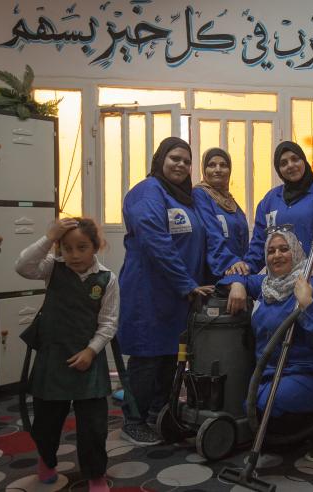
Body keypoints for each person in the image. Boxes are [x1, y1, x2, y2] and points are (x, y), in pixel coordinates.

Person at [117, 137, 236, 445]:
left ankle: (160, 409)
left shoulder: (187, 198)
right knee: (147, 357)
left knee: (171, 355)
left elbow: (207, 238)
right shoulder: (147, 192)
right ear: (160, 160)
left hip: (181, 294)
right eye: (175, 158)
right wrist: (187, 284)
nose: (181, 165)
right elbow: (156, 241)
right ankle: (133, 419)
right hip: (150, 291)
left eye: (186, 160)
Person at [224, 226, 313, 462]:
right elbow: (234, 275)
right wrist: (238, 285)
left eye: (284, 249)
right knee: (251, 405)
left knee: (269, 404)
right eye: (271, 251)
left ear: (296, 251)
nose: (277, 255)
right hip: (275, 370)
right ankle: (299, 431)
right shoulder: (267, 283)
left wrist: (308, 304)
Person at [15, 217, 115, 492]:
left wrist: (91, 351)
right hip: (54, 357)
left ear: (95, 247)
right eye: (67, 248)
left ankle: (95, 474)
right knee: (46, 420)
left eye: (82, 247)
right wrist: (49, 237)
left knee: (94, 426)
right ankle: (46, 461)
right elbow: (23, 265)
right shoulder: (52, 268)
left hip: (89, 359)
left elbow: (108, 323)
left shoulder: (107, 278)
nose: (74, 255)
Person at [243, 141, 313, 305]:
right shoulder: (269, 200)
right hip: (280, 287)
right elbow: (260, 244)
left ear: (304, 161)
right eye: (283, 163)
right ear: (278, 170)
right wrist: (243, 271)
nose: (290, 165)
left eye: (295, 159)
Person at [193, 147, 250, 282]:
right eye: (211, 165)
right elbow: (210, 233)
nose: (218, 169)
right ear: (204, 170)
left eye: (223, 165)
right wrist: (230, 262)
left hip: (235, 273)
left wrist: (244, 268)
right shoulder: (200, 195)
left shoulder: (231, 203)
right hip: (213, 277)